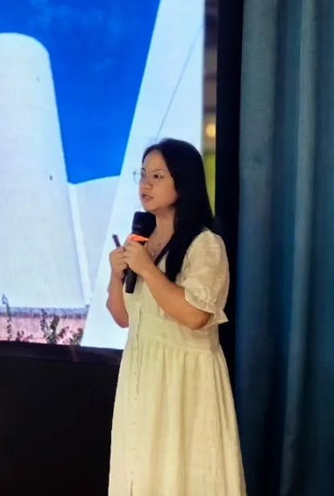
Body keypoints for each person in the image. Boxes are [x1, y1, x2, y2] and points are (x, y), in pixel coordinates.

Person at [107, 138, 246, 495]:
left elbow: (196, 315)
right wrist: (116, 275)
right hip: (143, 375)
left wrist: (148, 270)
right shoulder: (141, 242)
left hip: (184, 382)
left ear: (182, 183)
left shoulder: (205, 244)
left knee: (182, 475)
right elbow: (124, 318)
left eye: (157, 176)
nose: (145, 185)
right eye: (142, 175)